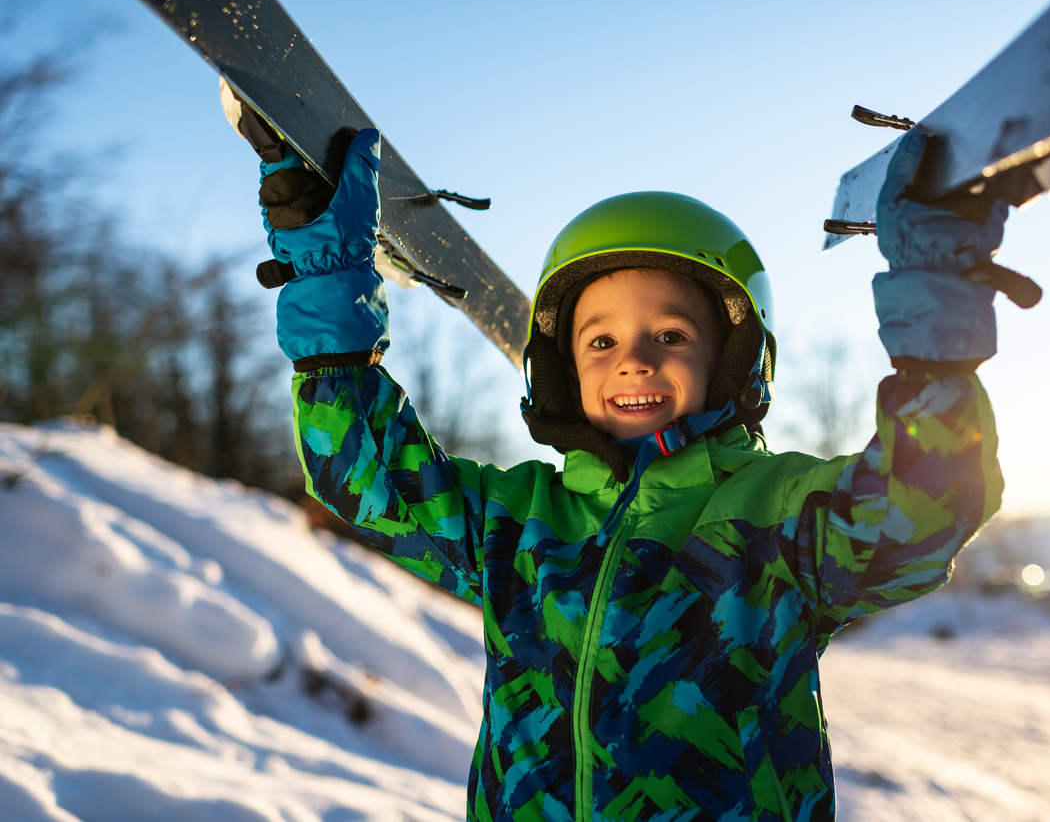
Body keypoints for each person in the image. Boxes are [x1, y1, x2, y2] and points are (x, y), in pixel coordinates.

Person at [255, 124, 1005, 821]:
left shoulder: (776, 518)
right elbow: (365, 477)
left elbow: (922, 509)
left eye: (670, 335)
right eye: (600, 341)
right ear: (561, 369)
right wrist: (327, 277)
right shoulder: (519, 521)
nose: (634, 360)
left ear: (735, 361)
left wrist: (935, 322)